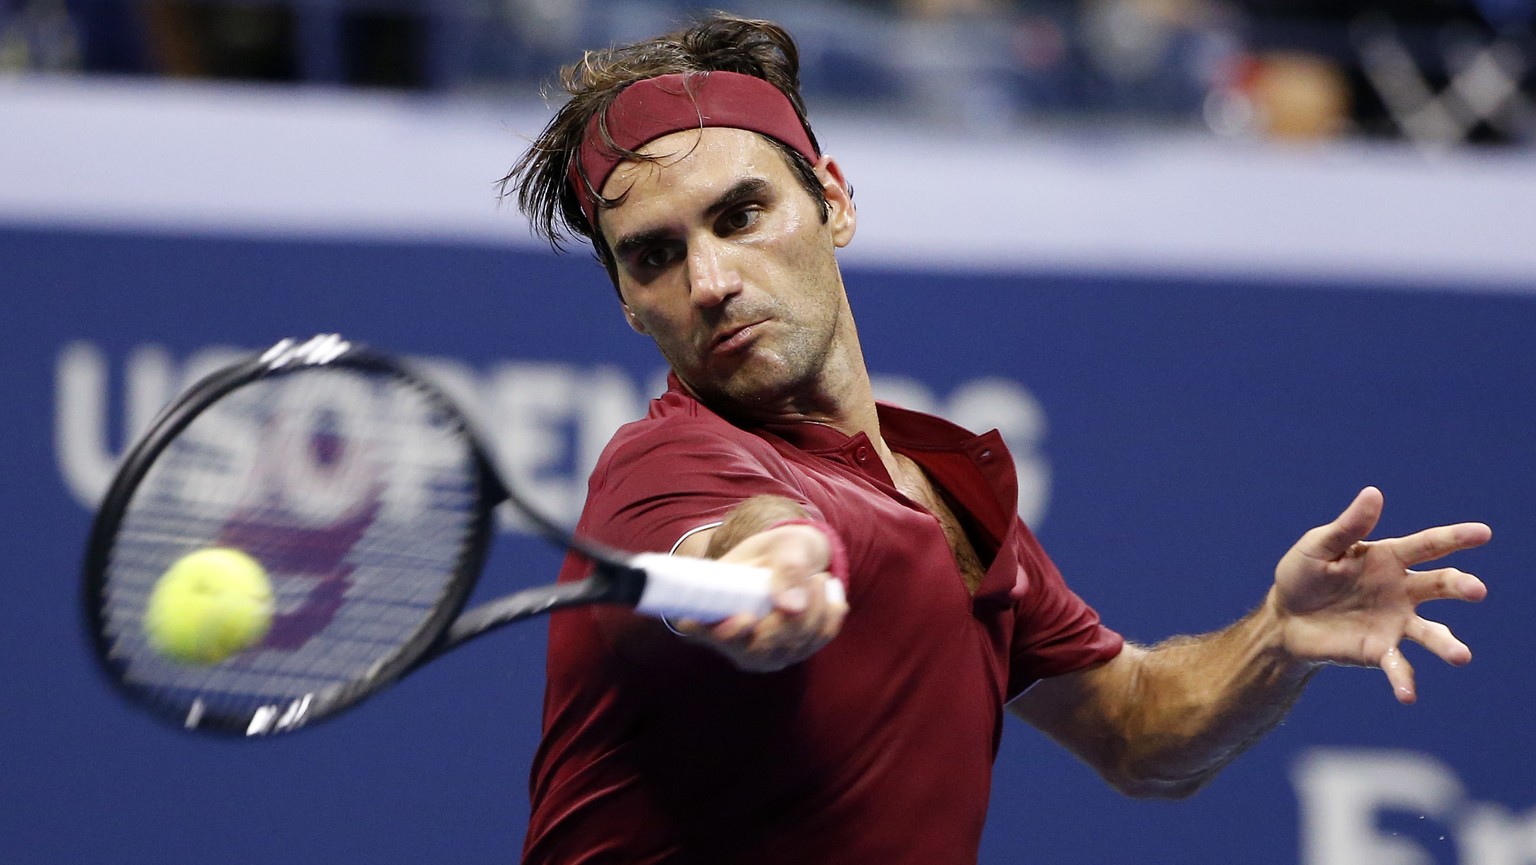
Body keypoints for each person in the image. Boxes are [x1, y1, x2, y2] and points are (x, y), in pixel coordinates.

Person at [500, 13, 1490, 864]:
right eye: (656, 257)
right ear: (632, 306)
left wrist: (1279, 637)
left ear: (833, 202)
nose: (709, 279)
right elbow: (740, 531)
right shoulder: (660, 465)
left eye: (741, 213)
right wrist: (776, 563)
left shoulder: (945, 498)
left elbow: (1140, 732)